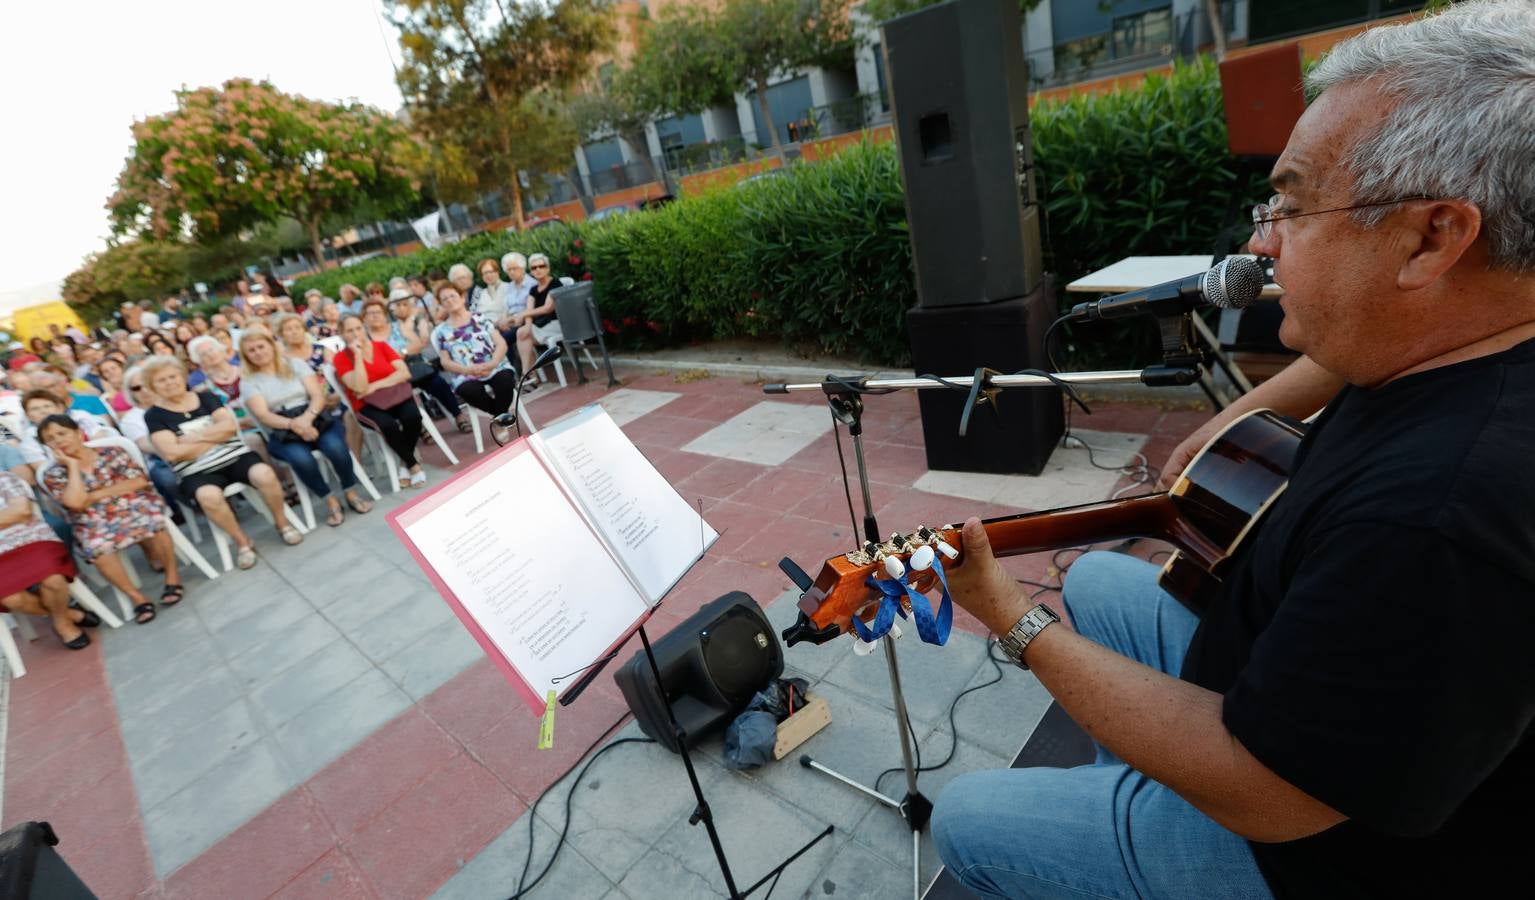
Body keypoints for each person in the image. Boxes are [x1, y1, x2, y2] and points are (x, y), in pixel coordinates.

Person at [930, 4, 1535, 898]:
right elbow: (1326, 363)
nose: (1260, 240)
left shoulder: (1437, 519)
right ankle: (1136, 794)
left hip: (1301, 843)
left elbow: (1276, 797)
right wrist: (1227, 427)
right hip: (1272, 666)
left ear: (1431, 238)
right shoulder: (1474, 328)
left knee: (967, 819)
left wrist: (1009, 616)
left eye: (1290, 204)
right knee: (1100, 580)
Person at [143, 355, 301, 568]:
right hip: (197, 472)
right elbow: (172, 454)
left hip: (235, 457)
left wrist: (194, 438)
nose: (170, 382)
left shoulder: (206, 397)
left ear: (182, 376)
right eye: (161, 380)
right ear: (153, 387)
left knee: (263, 474)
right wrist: (213, 435)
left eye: (173, 376)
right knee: (208, 496)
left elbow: (229, 427)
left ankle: (282, 524)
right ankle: (242, 542)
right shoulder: (154, 416)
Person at [38, 415, 181, 624]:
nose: (58, 440)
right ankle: (137, 597)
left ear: (78, 433)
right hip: (92, 520)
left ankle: (172, 578)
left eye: (62, 433)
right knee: (96, 546)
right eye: (50, 439)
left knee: (153, 520)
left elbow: (139, 481)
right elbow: (76, 503)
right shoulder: (53, 474)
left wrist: (93, 496)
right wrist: (72, 467)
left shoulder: (111, 452)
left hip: (133, 504)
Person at [238, 330, 372, 527]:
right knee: (301, 459)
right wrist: (295, 425)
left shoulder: (295, 364)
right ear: (246, 355)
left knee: (335, 447)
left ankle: (350, 490)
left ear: (271, 346)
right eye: (251, 350)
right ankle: (329, 499)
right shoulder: (248, 381)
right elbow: (263, 415)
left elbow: (317, 395)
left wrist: (307, 419)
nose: (258, 353)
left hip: (313, 414)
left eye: (261, 347)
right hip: (281, 425)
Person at [0, 468, 91, 649]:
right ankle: (68, 615)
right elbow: (13, 514)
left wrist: (13, 516)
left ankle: (62, 624)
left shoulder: (3, 478)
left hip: (32, 539)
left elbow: (22, 512)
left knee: (53, 580)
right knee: (10, 599)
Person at [333, 313, 427, 488]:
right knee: (388, 425)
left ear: (364, 327)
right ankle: (413, 465)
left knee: (412, 417)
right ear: (341, 334)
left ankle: (404, 462)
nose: (355, 334)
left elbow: (404, 373)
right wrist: (358, 356)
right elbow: (360, 388)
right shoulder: (341, 358)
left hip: (396, 394)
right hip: (366, 404)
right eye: (349, 331)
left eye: (358, 328)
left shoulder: (381, 346)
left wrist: (375, 386)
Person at [430, 283, 520, 418]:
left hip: (495, 366)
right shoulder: (442, 331)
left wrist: (493, 362)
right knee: (468, 390)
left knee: (505, 381)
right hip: (466, 373)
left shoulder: (480, 318)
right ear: (442, 305)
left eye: (452, 296)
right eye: (445, 299)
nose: (449, 300)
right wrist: (468, 370)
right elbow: (445, 362)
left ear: (462, 298)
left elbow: (501, 343)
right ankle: (501, 416)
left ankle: (499, 419)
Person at [387, 287, 469, 432]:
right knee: (402, 393)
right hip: (399, 370)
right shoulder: (389, 326)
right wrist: (409, 347)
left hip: (420, 365)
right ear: (392, 308)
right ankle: (421, 430)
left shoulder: (418, 318)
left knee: (438, 383)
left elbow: (423, 341)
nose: (402, 308)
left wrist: (406, 341)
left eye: (405, 304)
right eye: (398, 305)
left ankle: (458, 415)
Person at [117, 364, 184, 520]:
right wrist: (174, 446)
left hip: (191, 447)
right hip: (160, 458)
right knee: (169, 478)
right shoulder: (130, 418)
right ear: (130, 393)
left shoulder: (174, 402)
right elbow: (144, 445)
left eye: (146, 384)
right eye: (137, 388)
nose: (144, 390)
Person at [514, 253, 563, 386]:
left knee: (522, 335)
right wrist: (528, 324)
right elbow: (529, 311)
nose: (538, 269)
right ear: (531, 271)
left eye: (541, 266)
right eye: (534, 268)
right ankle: (529, 375)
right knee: (523, 332)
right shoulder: (533, 289)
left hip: (556, 324)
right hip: (541, 326)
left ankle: (528, 375)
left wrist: (524, 314)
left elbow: (548, 308)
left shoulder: (555, 283)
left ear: (548, 268)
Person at [496, 252, 537, 339]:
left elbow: (531, 309)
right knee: (493, 337)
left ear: (522, 268)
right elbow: (506, 308)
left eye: (514, 268)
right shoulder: (509, 286)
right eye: (509, 269)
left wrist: (511, 319)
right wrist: (503, 320)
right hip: (510, 323)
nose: (512, 272)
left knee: (502, 341)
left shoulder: (532, 284)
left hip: (525, 322)